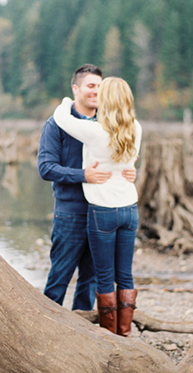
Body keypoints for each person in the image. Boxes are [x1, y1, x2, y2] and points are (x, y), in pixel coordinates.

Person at [52, 77, 142, 336]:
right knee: (125, 275)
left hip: (103, 210)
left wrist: (68, 100)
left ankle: (109, 337)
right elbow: (131, 160)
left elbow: (62, 118)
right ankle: (123, 334)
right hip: (130, 209)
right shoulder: (136, 127)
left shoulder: (95, 131)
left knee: (104, 277)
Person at [38, 64, 123, 311]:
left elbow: (120, 159)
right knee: (59, 277)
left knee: (91, 279)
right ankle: (48, 327)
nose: (97, 91)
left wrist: (129, 170)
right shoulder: (57, 124)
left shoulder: (108, 123)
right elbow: (46, 168)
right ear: (76, 89)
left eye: (100, 86)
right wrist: (83, 175)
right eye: (91, 86)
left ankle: (81, 329)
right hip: (70, 212)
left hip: (102, 211)